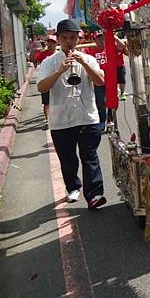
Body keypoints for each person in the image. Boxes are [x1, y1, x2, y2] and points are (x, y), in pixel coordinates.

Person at [37, 19, 107, 209]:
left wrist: (84, 63)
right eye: (65, 38)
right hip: (61, 120)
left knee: (90, 156)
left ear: (79, 39)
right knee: (67, 159)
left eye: (73, 38)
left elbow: (101, 81)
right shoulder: (49, 62)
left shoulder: (88, 58)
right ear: (58, 39)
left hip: (87, 117)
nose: (69, 42)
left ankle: (94, 194)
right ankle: (73, 187)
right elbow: (41, 86)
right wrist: (60, 71)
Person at [36, 36, 58, 127]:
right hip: (46, 80)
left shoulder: (59, 54)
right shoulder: (43, 54)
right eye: (49, 42)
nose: (50, 44)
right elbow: (34, 59)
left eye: (52, 42)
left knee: (58, 101)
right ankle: (48, 121)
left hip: (57, 81)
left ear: (56, 43)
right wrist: (38, 50)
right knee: (46, 102)